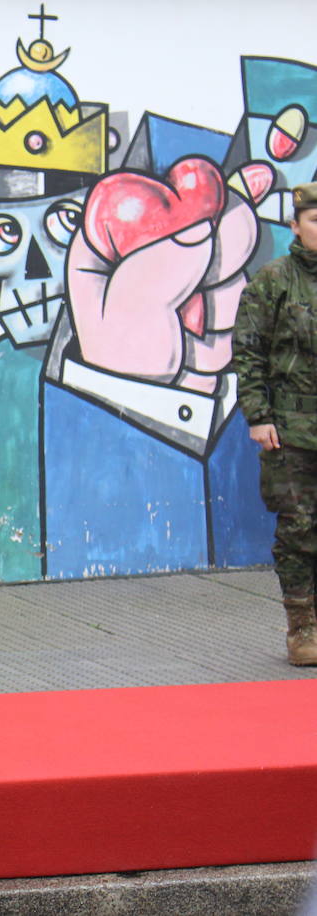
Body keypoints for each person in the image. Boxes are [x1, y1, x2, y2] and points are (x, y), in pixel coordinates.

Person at [233, 181, 317, 667]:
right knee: (299, 527)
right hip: (290, 429)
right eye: (313, 222)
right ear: (294, 226)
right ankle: (301, 627)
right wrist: (258, 416)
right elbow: (248, 351)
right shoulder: (273, 281)